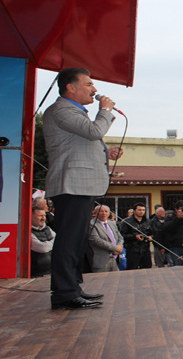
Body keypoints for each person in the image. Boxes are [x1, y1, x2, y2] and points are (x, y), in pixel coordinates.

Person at [43, 68, 121, 310]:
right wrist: (105, 110)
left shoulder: (74, 112)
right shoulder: (61, 110)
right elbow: (94, 131)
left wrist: (105, 153)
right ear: (70, 87)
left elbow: (81, 143)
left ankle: (73, 287)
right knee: (68, 240)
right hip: (71, 185)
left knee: (77, 240)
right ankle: (64, 292)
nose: (94, 90)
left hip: (80, 185)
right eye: (88, 84)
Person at [88, 205, 124, 272]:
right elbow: (95, 240)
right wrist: (115, 248)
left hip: (114, 258)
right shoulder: (91, 224)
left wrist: (120, 246)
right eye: (101, 211)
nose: (104, 213)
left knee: (115, 280)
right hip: (101, 260)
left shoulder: (112, 223)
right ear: (95, 213)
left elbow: (120, 237)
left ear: (109, 213)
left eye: (106, 211)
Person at [119, 203, 152, 270]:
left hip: (145, 250)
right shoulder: (127, 222)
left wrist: (151, 237)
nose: (141, 212)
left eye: (143, 210)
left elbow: (153, 233)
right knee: (132, 270)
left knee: (147, 269)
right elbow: (122, 236)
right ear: (134, 211)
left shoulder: (148, 221)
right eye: (139, 210)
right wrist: (134, 237)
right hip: (132, 251)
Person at [31, 206, 56, 277]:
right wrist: (53, 242)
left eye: (44, 215)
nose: (43, 218)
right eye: (40, 216)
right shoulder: (27, 232)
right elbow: (42, 248)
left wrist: (49, 244)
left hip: (51, 271)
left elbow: (59, 241)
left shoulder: (47, 228)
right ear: (31, 217)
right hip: (37, 274)